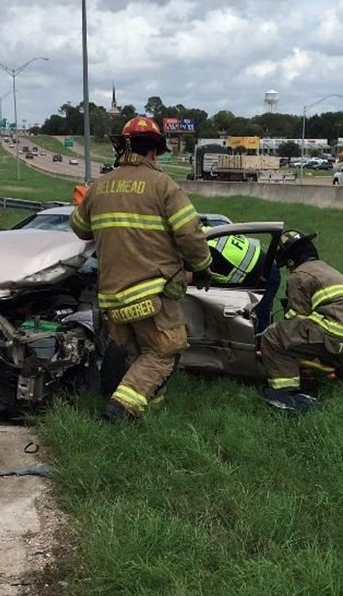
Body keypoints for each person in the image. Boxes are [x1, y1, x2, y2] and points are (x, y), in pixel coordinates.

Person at [71, 116, 213, 422]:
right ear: (155, 151)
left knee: (139, 355)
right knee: (164, 352)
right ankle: (119, 410)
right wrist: (202, 267)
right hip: (152, 293)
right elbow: (190, 234)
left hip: (112, 295)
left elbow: (79, 228)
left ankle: (146, 413)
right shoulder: (163, 185)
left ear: (123, 146)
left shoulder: (100, 186)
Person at [259, 229, 343, 412]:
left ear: (290, 260)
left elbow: (296, 318)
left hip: (335, 331)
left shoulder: (299, 275)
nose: (288, 269)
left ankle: (285, 392)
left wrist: (279, 323)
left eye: (287, 265)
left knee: (274, 336)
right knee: (331, 348)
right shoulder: (327, 269)